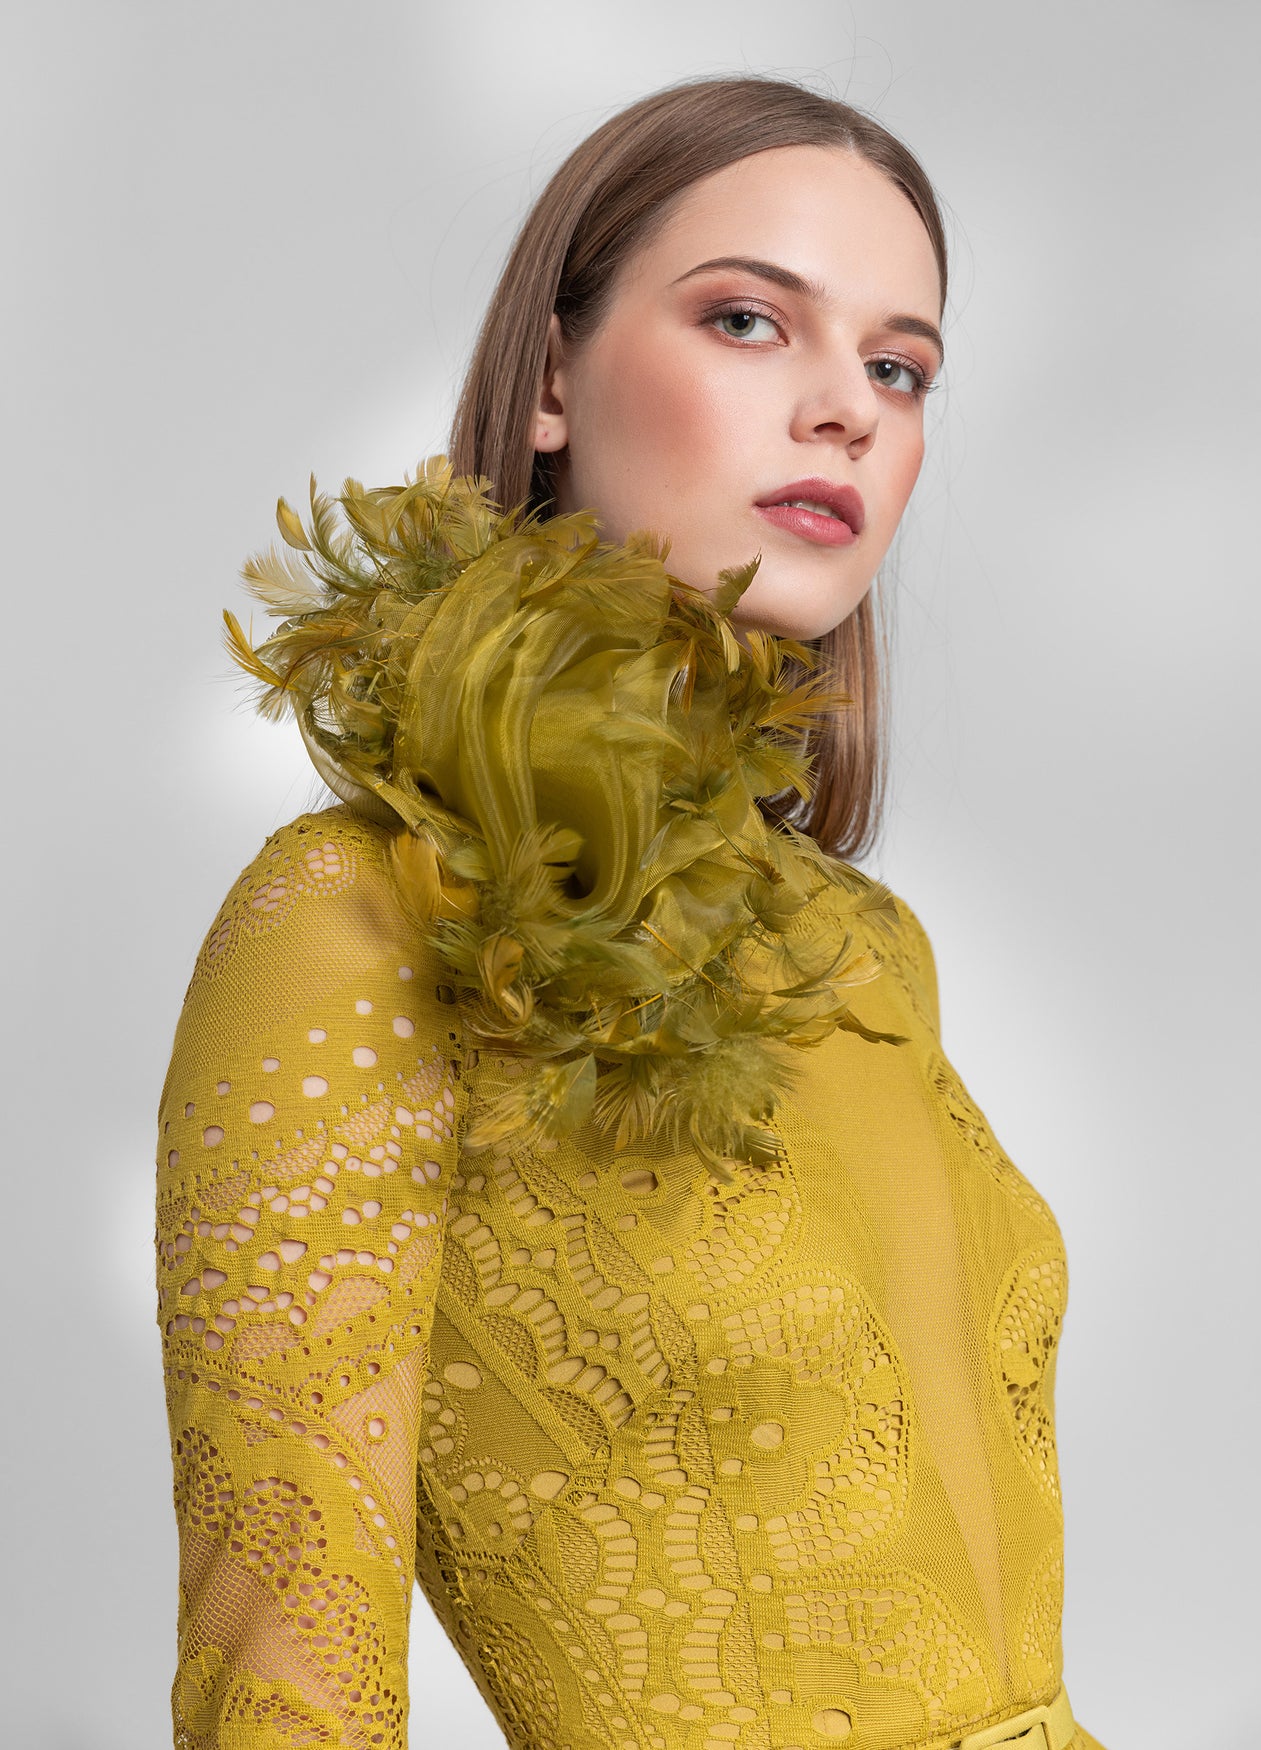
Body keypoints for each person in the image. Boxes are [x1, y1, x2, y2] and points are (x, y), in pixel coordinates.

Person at [154, 75, 1107, 1750]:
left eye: (900, 367)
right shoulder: (356, 917)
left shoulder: (867, 949)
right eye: (749, 319)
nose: (848, 410)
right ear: (548, 381)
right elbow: (283, 1696)